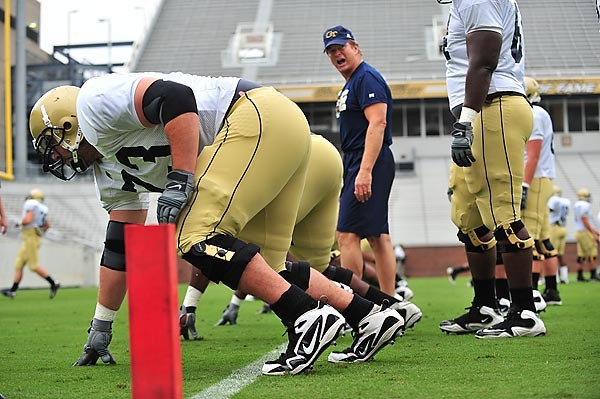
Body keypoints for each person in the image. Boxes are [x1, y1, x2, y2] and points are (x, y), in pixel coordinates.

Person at [28, 73, 401, 375]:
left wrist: (181, 178)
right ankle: (366, 315)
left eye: (51, 144)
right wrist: (102, 326)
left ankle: (306, 317)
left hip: (254, 114)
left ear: (66, 124)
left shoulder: (94, 102)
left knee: (194, 237)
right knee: (268, 269)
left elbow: (173, 97)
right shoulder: (107, 170)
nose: (55, 156)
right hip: (277, 126)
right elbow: (118, 247)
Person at [180, 135, 410, 364]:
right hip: (321, 152)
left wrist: (191, 304)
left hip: (292, 155)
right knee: (320, 266)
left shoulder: (188, 152)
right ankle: (385, 310)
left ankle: (310, 319)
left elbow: (204, 241)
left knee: (252, 255)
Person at [438, 0, 545, 338]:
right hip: (483, 109)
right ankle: (486, 306)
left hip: (492, 107)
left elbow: (485, 60)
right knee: (469, 218)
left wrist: (466, 122)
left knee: (504, 217)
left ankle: (525, 312)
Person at [323, 25, 397, 296]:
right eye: (331, 51)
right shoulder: (353, 82)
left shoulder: (366, 78)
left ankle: (353, 303)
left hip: (369, 160)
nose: (336, 54)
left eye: (341, 47)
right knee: (377, 236)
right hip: (360, 159)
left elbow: (378, 123)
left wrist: (365, 171)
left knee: (347, 235)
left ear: (355, 47)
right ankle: (389, 301)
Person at [520, 77, 562, 305]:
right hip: (542, 178)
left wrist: (525, 185)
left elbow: (533, 154)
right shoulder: (540, 113)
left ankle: (532, 292)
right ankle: (553, 290)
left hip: (535, 179)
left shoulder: (533, 114)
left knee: (530, 238)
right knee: (544, 239)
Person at [1, 189, 60, 299]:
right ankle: (12, 290)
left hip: (30, 237)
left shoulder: (31, 204)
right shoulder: (41, 207)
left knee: (33, 265)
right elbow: (47, 226)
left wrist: (19, 223)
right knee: (19, 264)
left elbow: (28, 220)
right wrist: (38, 233)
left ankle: (54, 283)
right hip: (32, 236)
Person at [573, 188, 599, 282]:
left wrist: (594, 230)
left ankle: (579, 276)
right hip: (584, 231)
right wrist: (592, 231)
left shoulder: (577, 204)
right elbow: (584, 219)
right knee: (592, 253)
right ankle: (593, 275)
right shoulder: (585, 205)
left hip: (578, 231)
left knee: (582, 254)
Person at [547, 185, 570, 284]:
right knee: (560, 254)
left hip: (554, 227)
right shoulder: (565, 201)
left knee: (552, 253)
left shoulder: (553, 200)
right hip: (563, 227)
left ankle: (554, 277)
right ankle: (564, 277)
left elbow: (549, 209)